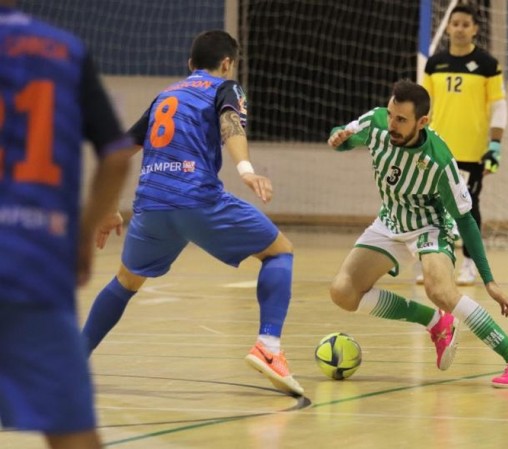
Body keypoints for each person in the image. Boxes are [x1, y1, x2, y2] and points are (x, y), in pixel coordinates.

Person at [80, 30, 305, 396]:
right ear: (228, 63)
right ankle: (269, 347)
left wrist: (108, 209)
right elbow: (231, 122)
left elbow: (117, 151)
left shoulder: (164, 96)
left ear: (189, 65)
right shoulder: (225, 87)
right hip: (197, 199)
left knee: (125, 282)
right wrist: (246, 170)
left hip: (150, 207)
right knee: (279, 251)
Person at [327, 79, 508, 388]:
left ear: (422, 121)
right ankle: (435, 322)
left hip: (429, 227)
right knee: (343, 293)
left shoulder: (439, 160)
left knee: (439, 290)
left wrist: (488, 280)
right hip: (390, 221)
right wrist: (338, 138)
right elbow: (345, 138)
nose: (392, 124)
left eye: (401, 120)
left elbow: (465, 221)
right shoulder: (376, 123)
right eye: (391, 114)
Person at [0, 1, 135, 447]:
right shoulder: (64, 50)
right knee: (73, 432)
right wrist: (81, 238)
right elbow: (116, 154)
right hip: (33, 261)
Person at [421, 4, 508, 285]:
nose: (459, 28)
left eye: (465, 24)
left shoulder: (487, 64)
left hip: (472, 151)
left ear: (475, 29)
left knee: (467, 208)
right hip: (437, 149)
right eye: (455, 23)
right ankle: (434, 264)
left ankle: (470, 264)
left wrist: (494, 146)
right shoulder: (434, 64)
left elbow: (498, 107)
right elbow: (425, 106)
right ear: (448, 28)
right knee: (431, 207)